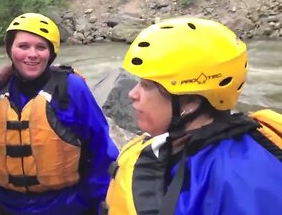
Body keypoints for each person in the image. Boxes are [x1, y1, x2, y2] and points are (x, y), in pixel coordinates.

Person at [100, 17, 282, 215]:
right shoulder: (172, 144)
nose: (132, 94)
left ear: (191, 102)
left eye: (147, 86)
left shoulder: (243, 179)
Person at [0, 13, 119, 215]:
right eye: (23, 46)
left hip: (66, 206)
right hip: (8, 206)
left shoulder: (72, 88)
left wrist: (97, 201)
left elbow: (101, 149)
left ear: (51, 53)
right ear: (10, 50)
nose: (32, 54)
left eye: (41, 47)